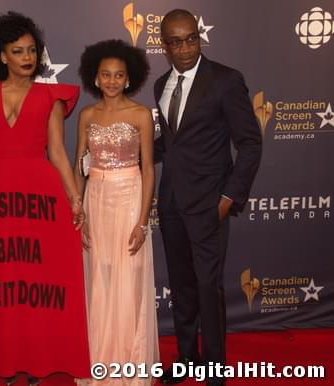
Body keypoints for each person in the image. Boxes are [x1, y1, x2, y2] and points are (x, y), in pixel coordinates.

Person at [0, 11, 90, 386]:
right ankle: (5, 360)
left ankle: (37, 360)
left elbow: (57, 152)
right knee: (1, 281)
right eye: (17, 50)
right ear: (1, 55)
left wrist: (75, 199)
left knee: (37, 284)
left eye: (31, 50)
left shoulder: (51, 95)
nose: (27, 57)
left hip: (39, 196)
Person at [154, 9, 262, 386]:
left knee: (207, 286)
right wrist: (119, 152)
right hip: (170, 203)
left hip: (209, 203)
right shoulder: (160, 85)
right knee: (182, 286)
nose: (185, 48)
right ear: (164, 45)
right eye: (176, 42)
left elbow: (250, 143)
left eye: (191, 39)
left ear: (199, 38)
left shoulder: (226, 80)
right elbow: (170, 144)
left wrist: (229, 196)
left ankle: (215, 368)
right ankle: (186, 358)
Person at [74, 39, 159, 386]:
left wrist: (143, 221)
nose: (111, 80)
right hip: (96, 197)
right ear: (95, 78)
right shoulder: (87, 115)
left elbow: (150, 169)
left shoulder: (140, 114)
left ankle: (130, 361)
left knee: (129, 278)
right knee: (99, 276)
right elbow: (80, 164)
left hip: (129, 197)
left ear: (129, 78)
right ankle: (99, 359)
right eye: (105, 74)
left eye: (118, 75)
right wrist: (79, 211)